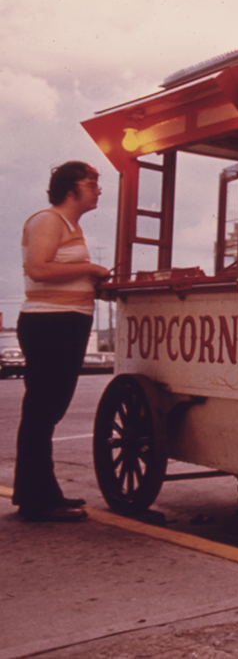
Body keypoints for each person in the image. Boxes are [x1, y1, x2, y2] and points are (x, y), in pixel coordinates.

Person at [13, 161, 111, 522]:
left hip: (66, 323)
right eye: (92, 183)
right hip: (49, 324)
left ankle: (39, 492)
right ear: (70, 188)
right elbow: (39, 268)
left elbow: (60, 273)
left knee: (48, 410)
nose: (98, 189)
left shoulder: (70, 226)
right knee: (42, 410)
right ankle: (37, 499)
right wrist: (90, 269)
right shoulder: (48, 220)